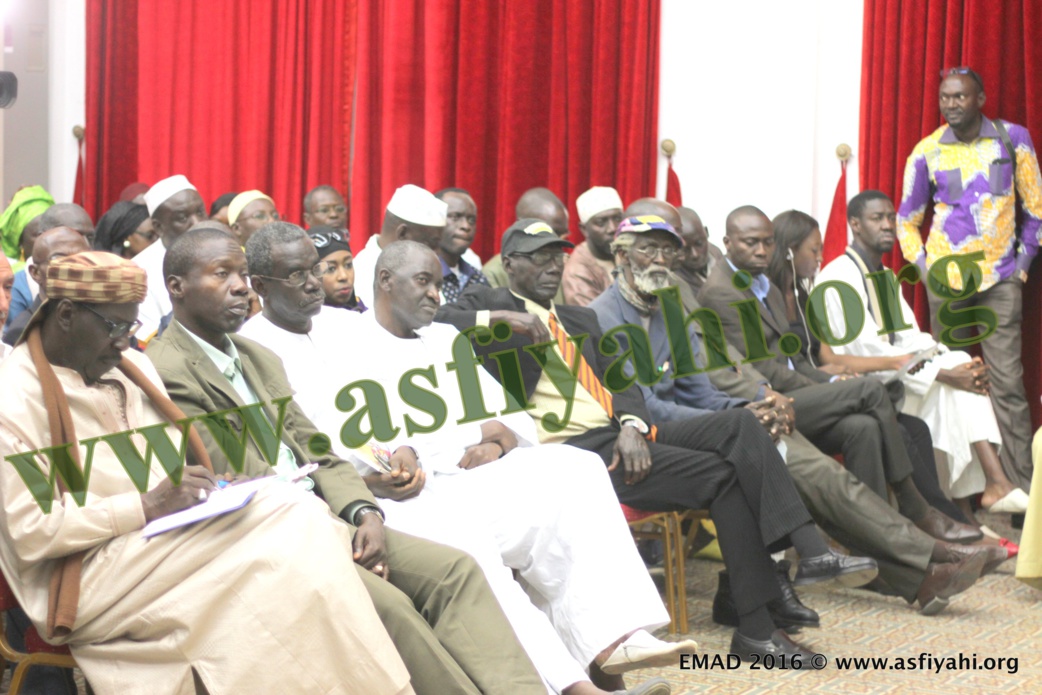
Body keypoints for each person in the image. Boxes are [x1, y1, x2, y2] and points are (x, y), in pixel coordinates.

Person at [240, 225, 681, 695]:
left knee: (575, 470)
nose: (314, 282)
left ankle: (613, 644)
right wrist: (368, 479)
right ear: (260, 286)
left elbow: (395, 407)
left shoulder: (345, 325)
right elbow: (288, 450)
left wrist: (403, 449)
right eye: (297, 275)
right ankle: (573, 688)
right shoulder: (252, 349)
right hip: (360, 501)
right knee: (472, 547)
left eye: (316, 269)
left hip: (426, 477)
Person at [437, 218, 886, 662]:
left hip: (621, 434)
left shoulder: (580, 317)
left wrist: (632, 425)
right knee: (725, 476)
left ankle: (799, 568)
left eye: (557, 255)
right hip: (571, 452)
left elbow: (625, 386)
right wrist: (499, 316)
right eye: (539, 258)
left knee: (742, 426)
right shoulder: (494, 313)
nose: (553, 266)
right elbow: (435, 318)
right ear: (510, 264)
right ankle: (765, 617)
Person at [146, 227, 545, 695]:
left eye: (240, 274)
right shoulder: (165, 370)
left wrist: (363, 513)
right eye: (222, 274)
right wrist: (335, 527)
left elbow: (317, 448)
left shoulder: (257, 357)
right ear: (176, 287)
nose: (240, 286)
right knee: (390, 608)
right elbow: (239, 475)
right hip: (266, 535)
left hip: (330, 515)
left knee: (456, 571)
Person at [0, 251, 417, 694]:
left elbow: (168, 465)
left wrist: (211, 489)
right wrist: (145, 505)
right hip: (86, 575)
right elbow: (32, 532)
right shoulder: (13, 399)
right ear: (66, 315)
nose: (125, 343)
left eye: (132, 327)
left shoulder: (131, 368)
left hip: (162, 538)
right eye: (115, 328)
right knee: (281, 559)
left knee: (295, 519)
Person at [589, 214, 997, 615]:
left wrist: (747, 408)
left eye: (666, 250)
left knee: (823, 471)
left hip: (712, 424)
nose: (659, 259)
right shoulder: (603, 316)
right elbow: (643, 405)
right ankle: (931, 552)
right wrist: (738, 414)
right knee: (812, 467)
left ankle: (922, 575)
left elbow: (699, 387)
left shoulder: (669, 305)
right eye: (647, 250)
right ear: (622, 256)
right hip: (655, 439)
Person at [698, 206, 985, 545]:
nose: (762, 251)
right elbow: (766, 369)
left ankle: (880, 545)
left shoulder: (768, 288)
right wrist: (828, 387)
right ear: (727, 242)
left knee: (861, 427)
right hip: (764, 403)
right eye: (750, 243)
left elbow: (797, 360)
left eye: (767, 243)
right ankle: (914, 507)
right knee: (870, 392)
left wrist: (832, 384)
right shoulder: (722, 292)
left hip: (794, 392)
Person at [809, 195, 1031, 525]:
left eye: (890, 217)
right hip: (867, 386)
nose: (887, 225)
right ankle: (977, 499)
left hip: (901, 376)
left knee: (957, 362)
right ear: (854, 224)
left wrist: (950, 365)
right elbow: (866, 352)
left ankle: (976, 501)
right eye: (876, 218)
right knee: (947, 389)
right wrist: (941, 374)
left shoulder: (884, 275)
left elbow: (913, 337)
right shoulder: (837, 278)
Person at [897, 67, 1042, 493]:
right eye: (945, 97)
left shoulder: (1012, 139)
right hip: (948, 282)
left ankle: (1021, 493)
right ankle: (955, 491)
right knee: (953, 383)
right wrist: (925, 271)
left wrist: (1021, 268)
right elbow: (907, 220)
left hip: (1000, 281)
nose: (951, 104)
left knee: (1008, 385)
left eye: (960, 97)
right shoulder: (926, 151)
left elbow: (1036, 209)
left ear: (979, 98)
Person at [135, 175, 209, 341]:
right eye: (183, 218)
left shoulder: (223, 252)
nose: (197, 223)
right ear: (158, 226)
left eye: (200, 212)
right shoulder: (139, 272)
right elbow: (152, 340)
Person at [353, 184, 447, 308]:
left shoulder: (423, 269)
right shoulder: (361, 275)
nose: (437, 253)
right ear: (402, 234)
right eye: (431, 244)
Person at [3, 228, 92, 347]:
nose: (73, 268)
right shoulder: (24, 331)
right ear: (35, 273)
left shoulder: (95, 319)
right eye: (59, 260)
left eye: (82, 260)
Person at [484, 187, 570, 304]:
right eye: (549, 231)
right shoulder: (493, 273)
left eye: (561, 234)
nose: (556, 239)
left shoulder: (558, 264)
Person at [561, 186, 623, 306]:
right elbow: (594, 320)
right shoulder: (578, 271)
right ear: (584, 229)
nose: (613, 228)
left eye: (617, 219)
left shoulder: (624, 253)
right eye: (601, 222)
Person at [433, 188, 490, 303]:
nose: (466, 226)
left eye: (471, 220)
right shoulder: (422, 274)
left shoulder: (477, 278)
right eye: (455, 217)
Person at [309, 226, 366, 312]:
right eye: (331, 269)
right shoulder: (303, 323)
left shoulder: (365, 314)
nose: (343, 276)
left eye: (348, 265)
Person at [0, 185, 53, 270]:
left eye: (50, 232)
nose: (46, 240)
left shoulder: (64, 272)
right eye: (38, 234)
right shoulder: (8, 276)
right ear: (20, 240)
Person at [675, 206, 723, 294]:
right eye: (685, 249)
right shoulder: (673, 278)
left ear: (706, 232)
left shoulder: (716, 253)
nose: (695, 254)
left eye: (699, 244)